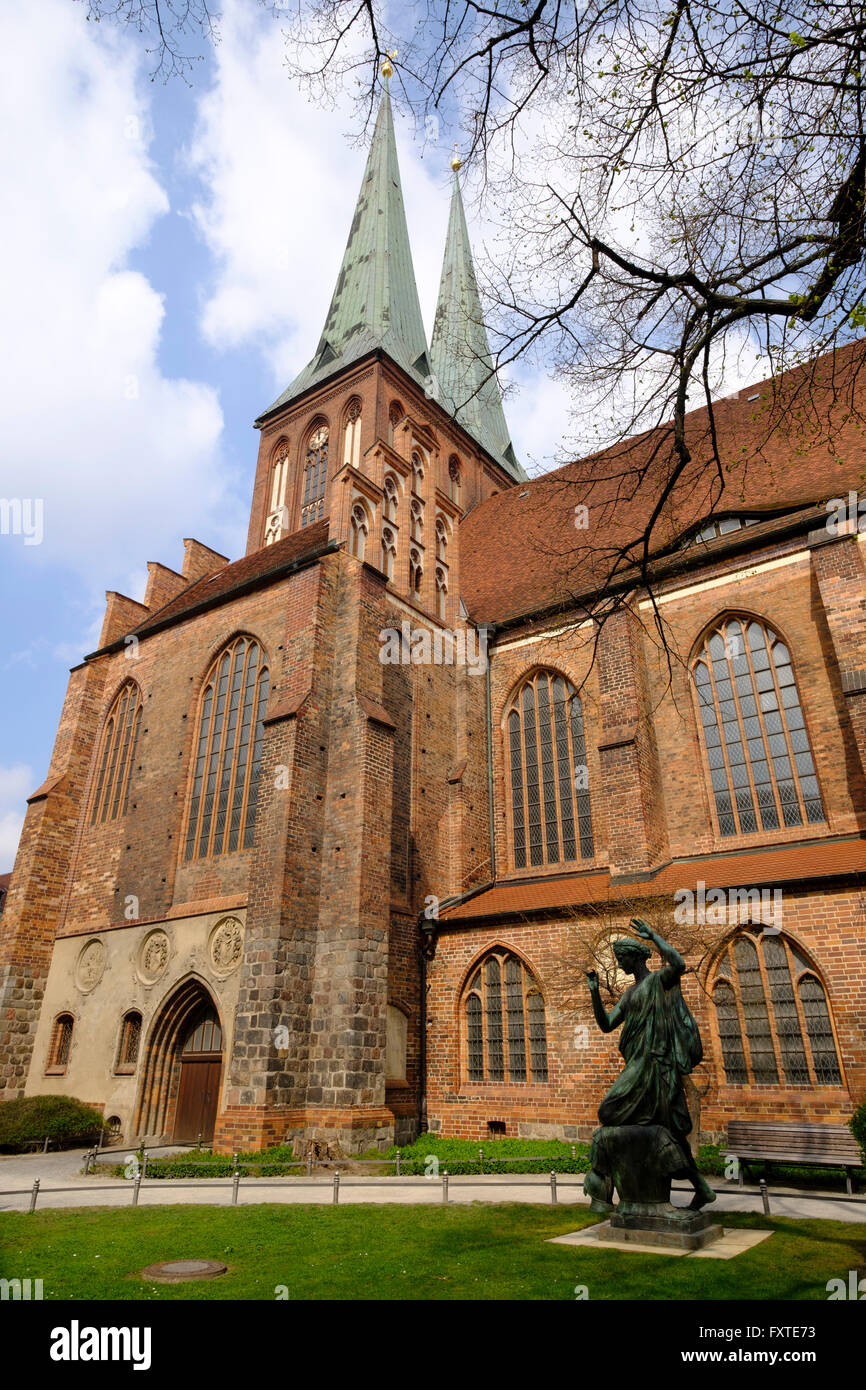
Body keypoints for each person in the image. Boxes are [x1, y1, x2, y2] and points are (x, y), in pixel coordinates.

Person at [586, 917, 715, 1210]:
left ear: (633, 958)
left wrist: (654, 936)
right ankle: (701, 1187)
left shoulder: (659, 980)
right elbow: (606, 1024)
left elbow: (679, 965)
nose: (618, 965)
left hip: (655, 1064)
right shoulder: (630, 993)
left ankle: (615, 1188)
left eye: (621, 959)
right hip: (638, 1062)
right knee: (663, 1128)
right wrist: (595, 992)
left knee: (612, 1111)